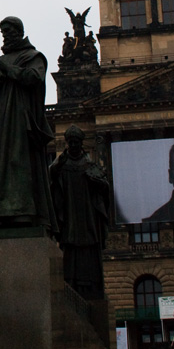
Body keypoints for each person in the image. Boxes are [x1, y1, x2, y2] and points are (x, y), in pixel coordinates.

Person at [0, 17, 57, 231]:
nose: (6, 35)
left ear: (19, 32)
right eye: (3, 32)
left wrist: (8, 69)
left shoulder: (33, 56)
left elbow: (34, 78)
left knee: (16, 165)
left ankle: (21, 215)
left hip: (16, 123)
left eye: (9, 31)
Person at [49, 126, 110, 298]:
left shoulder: (90, 164)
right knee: (70, 248)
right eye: (71, 142)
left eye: (76, 142)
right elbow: (50, 175)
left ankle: (92, 287)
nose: (74, 145)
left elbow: (105, 187)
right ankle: (70, 284)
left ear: (82, 143)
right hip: (70, 215)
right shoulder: (62, 164)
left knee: (89, 247)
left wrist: (97, 183)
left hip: (88, 215)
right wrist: (59, 161)